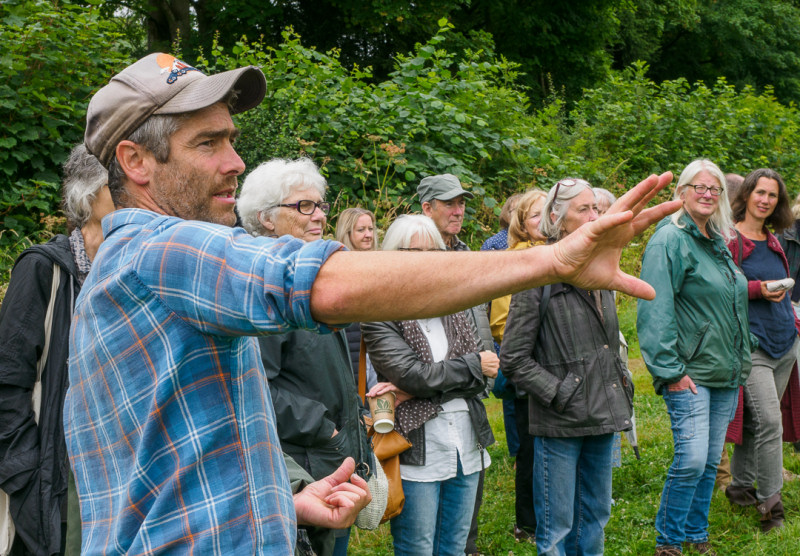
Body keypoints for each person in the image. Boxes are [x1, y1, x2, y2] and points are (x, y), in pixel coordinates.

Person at [67, 51, 679, 554]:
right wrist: (551, 259)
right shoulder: (157, 249)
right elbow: (324, 284)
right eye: (208, 144)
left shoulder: (151, 269)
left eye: (232, 139)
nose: (236, 161)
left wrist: (279, 501)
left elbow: (159, 461)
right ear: (136, 162)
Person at [236, 158, 373, 555]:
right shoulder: (262, 288)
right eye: (303, 207)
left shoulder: (304, 277)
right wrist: (322, 425)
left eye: (320, 206)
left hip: (332, 457)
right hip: (298, 465)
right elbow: (253, 384)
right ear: (265, 219)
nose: (319, 217)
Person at [500, 178, 632, 556]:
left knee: (595, 517)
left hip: (604, 412)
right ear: (557, 218)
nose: (594, 216)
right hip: (560, 421)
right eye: (584, 210)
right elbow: (513, 358)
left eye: (596, 208)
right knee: (557, 528)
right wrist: (560, 392)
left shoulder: (601, 266)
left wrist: (618, 383)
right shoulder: (538, 273)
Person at [361, 214, 499, 556]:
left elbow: (486, 374)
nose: (424, 257)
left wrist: (418, 386)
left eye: (432, 249)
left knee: (454, 545)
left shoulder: (454, 302)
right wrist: (462, 370)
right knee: (417, 548)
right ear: (394, 253)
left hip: (466, 443)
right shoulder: (379, 310)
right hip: (416, 447)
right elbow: (413, 374)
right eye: (413, 249)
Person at [0, 144, 113, 556]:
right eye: (113, 182)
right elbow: (6, 381)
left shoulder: (134, 269)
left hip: (118, 487)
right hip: (56, 489)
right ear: (87, 194)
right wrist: (26, 477)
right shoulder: (44, 269)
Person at [637, 159, 753, 556]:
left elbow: (731, 302)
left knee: (707, 464)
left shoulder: (717, 239)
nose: (706, 194)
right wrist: (670, 370)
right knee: (690, 460)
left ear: (721, 196)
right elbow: (655, 307)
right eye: (698, 187)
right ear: (681, 192)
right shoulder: (670, 239)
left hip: (725, 371)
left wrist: (742, 356)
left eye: (714, 189)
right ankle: (668, 544)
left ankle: (694, 535)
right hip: (690, 373)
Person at [723, 168, 798, 532]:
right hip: (752, 346)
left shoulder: (775, 239)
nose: (766, 200)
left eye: (773, 195)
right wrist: (757, 290)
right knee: (770, 422)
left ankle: (740, 487)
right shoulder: (730, 240)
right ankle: (772, 508)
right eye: (760, 193)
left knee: (756, 421)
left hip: (786, 342)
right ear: (747, 195)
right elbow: (721, 290)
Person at [489, 188, 547, 544]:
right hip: (529, 367)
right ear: (522, 223)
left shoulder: (568, 253)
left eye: (550, 212)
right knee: (529, 449)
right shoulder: (511, 260)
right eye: (536, 214)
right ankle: (527, 522)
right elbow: (500, 322)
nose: (544, 220)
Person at [334, 207, 379, 389]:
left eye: (370, 229)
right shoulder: (337, 266)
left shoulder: (380, 265)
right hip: (351, 344)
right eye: (361, 230)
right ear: (347, 232)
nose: (368, 235)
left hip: (375, 348)